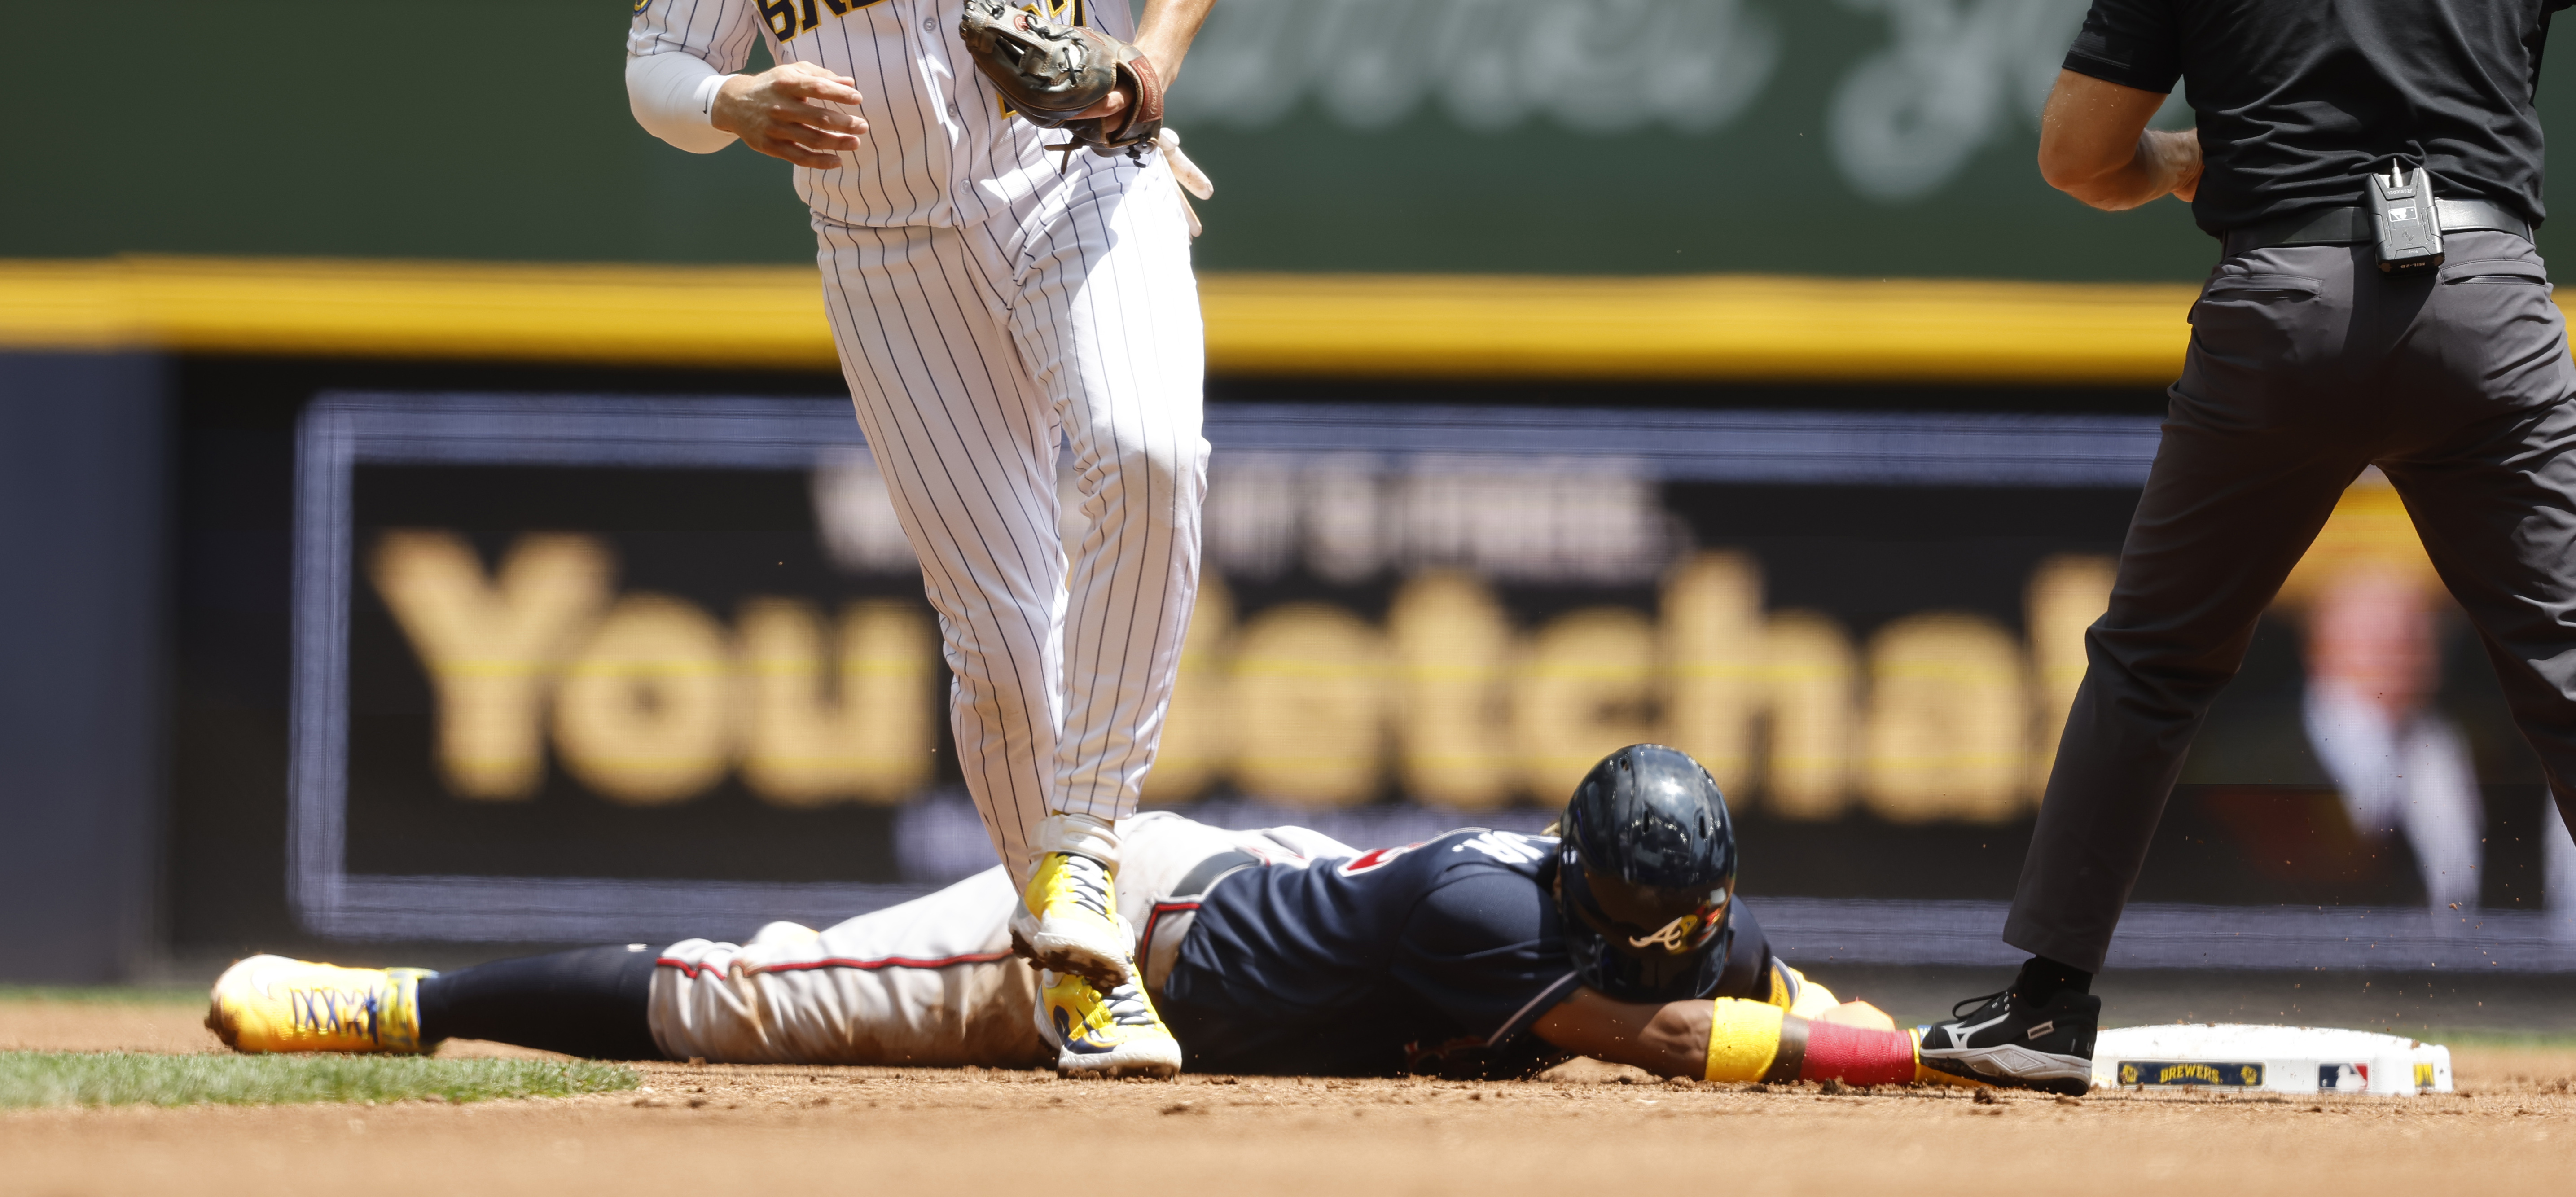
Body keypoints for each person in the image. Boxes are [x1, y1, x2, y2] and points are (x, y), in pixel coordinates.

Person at [621, 0, 1253, 1076]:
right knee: (993, 625)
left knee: (1152, 452)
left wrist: (1150, 54)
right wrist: (729, 106)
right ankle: (1073, 957)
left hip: (1077, 182)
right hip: (888, 246)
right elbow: (650, 56)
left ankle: (1088, 848)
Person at [1918, 0, 2576, 1094]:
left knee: (2153, 662)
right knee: (2564, 658)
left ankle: (2043, 1006)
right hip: (2481, 297)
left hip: (2283, 301)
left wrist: (2169, 163)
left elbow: (2075, 154)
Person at [206, 747, 1928, 1087]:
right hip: (1120, 947)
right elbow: (1666, 1035)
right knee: (754, 1000)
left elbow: (1757, 976)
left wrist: (1912, 1033)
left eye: (1685, 912)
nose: (1675, 935)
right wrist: (1901, 1075)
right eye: (1644, 916)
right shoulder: (1502, 916)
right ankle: (396, 1004)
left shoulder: (1651, 887)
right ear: (1585, 881)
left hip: (1266, 892)